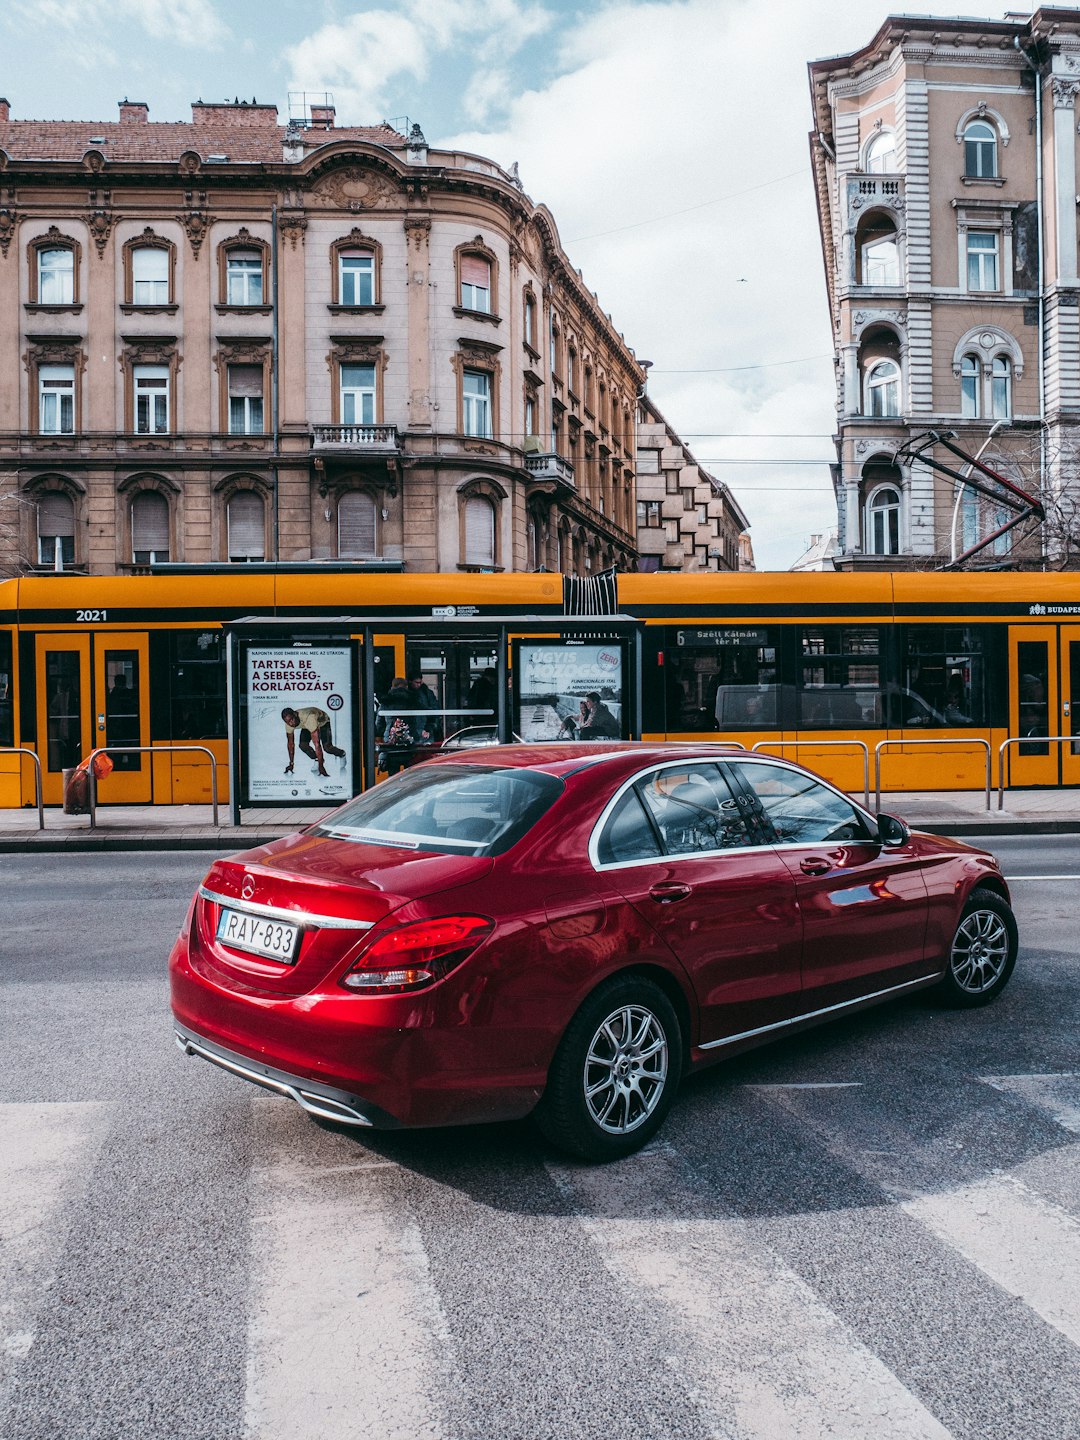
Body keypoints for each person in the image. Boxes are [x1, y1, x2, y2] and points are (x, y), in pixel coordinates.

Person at [375, 676, 429, 776]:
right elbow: (424, 715)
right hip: (410, 740)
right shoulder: (414, 700)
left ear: (392, 687)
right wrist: (421, 731)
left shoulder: (386, 702)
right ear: (406, 687)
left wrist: (386, 733)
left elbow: (379, 724)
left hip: (391, 742)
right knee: (410, 773)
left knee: (393, 773)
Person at [281, 705, 346, 779]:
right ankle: (317, 759)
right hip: (306, 724)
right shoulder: (289, 724)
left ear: (295, 715)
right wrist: (291, 763)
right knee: (303, 745)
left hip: (323, 723)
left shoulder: (310, 718)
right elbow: (290, 744)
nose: (291, 723)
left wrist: (321, 767)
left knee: (327, 748)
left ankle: (342, 754)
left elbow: (317, 745)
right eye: (288, 722)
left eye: (292, 719)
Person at [408, 672, 442, 742]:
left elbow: (435, 710)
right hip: (420, 729)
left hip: (425, 728)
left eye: (420, 682)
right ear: (410, 681)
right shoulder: (426, 693)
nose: (418, 685)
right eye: (416, 682)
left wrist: (429, 728)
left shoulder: (426, 693)